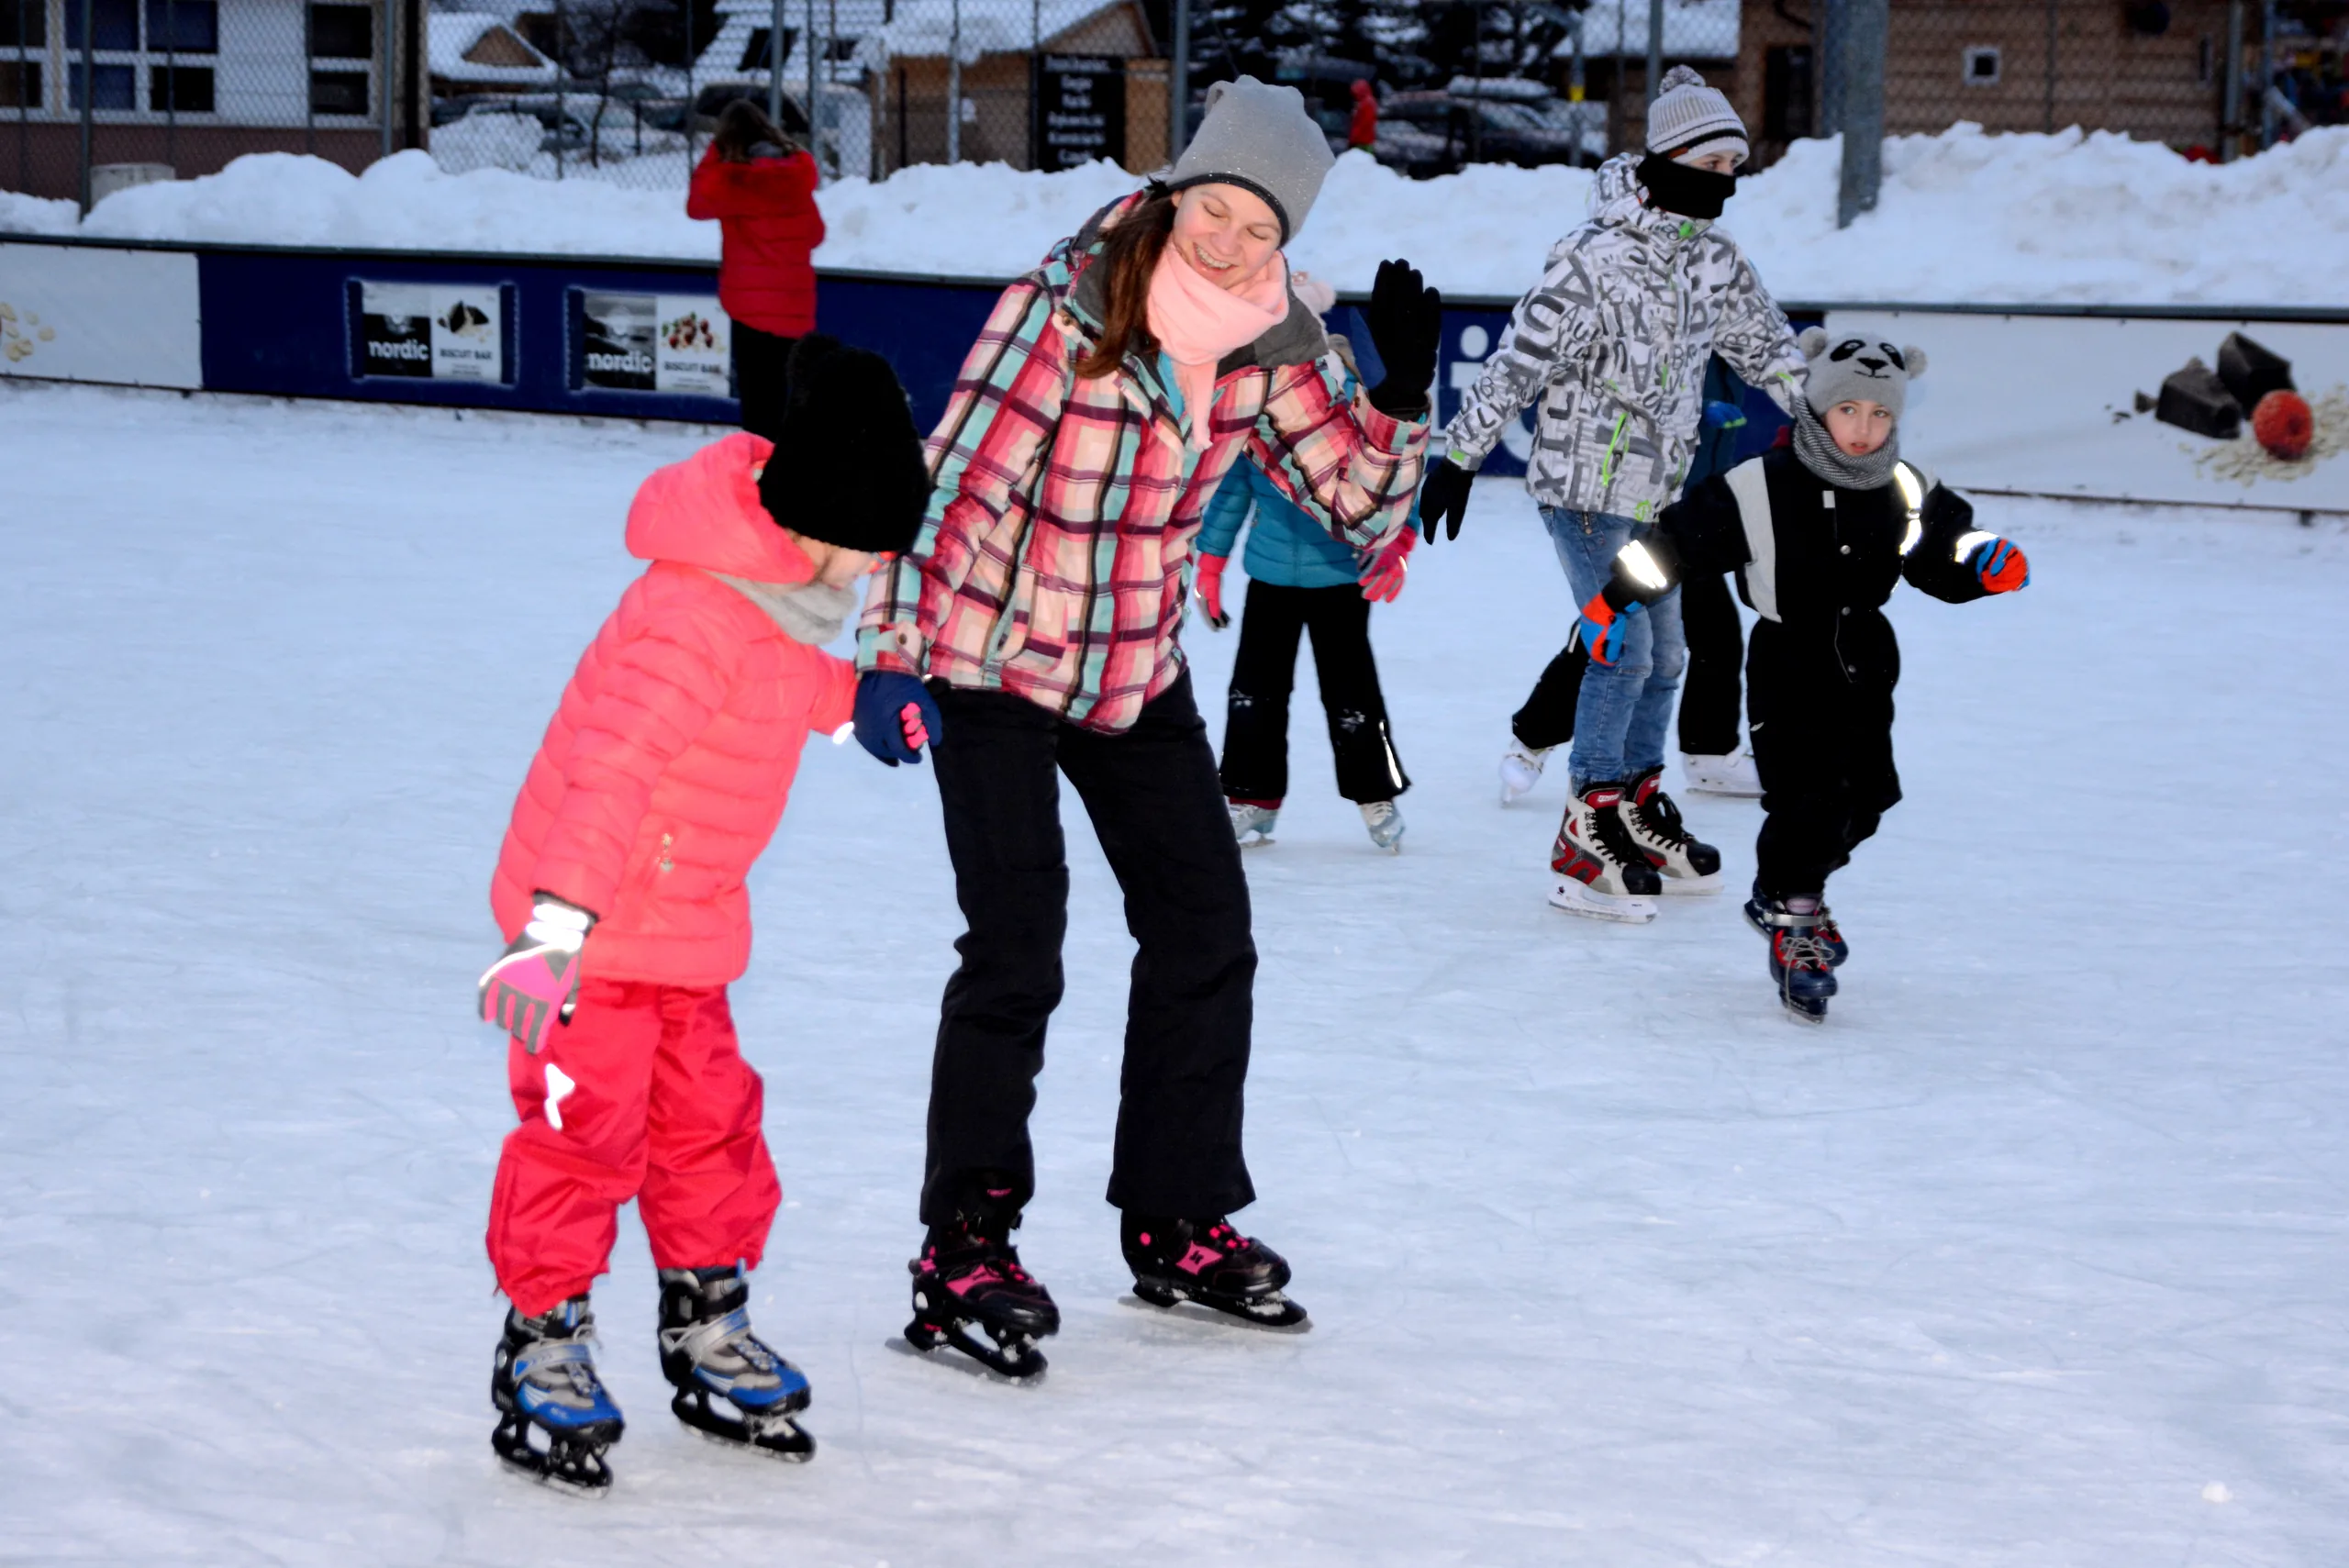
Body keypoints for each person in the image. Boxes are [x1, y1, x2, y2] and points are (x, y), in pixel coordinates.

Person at [851, 77, 1441, 1379]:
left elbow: (1351, 507)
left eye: (1260, 228)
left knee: (1205, 933)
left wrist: (1401, 397)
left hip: (1130, 669)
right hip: (993, 658)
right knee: (1017, 947)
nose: (1229, 243)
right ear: (1179, 191)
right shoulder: (1068, 302)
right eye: (1215, 209)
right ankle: (965, 1245)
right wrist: (892, 651)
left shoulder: (1275, 338)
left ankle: (1176, 1216)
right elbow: (955, 486)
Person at [473, 337, 930, 1492]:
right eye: (869, 541)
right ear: (817, 516)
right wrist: (550, 937)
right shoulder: (691, 615)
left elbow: (779, 682)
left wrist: (857, 705)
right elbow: (607, 775)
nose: (874, 566)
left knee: (711, 1125)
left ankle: (705, 1317)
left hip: (684, 929)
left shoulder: (775, 598)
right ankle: (544, 1334)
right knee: (582, 1137)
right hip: (588, 934)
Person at [1417, 64, 1806, 924]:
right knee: (1621, 649)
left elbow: (1768, 347)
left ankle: (1632, 803)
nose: (1726, 183)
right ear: (1668, 159)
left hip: (1658, 496)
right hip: (1584, 490)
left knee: (1668, 657)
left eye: (1734, 168)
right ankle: (1583, 827)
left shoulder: (1715, 261)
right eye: (1712, 165)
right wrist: (1460, 454)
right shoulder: (1591, 258)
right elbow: (1518, 359)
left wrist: (1829, 423)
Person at [1573, 328, 2031, 1021]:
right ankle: (1796, 914)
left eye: (1879, 414)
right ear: (1817, 407)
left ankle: (1788, 889)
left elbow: (1946, 551)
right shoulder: (1759, 484)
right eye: (1849, 410)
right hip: (1788, 658)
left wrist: (1983, 565)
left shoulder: (1905, 486)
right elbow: (1674, 544)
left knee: (1869, 798)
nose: (1864, 428)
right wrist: (1613, 600)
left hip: (1867, 658)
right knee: (1807, 797)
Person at [1198, 279, 1419, 853]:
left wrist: (1398, 542)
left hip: (1340, 580)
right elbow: (1232, 489)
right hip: (1269, 578)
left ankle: (1376, 794)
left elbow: (1398, 476)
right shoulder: (1256, 408)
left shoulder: (1351, 406)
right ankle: (1251, 798)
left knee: (1352, 696)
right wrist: (1210, 563)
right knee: (1253, 692)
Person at [1500, 361, 1765, 803]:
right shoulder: (1678, 331)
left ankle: (1710, 754)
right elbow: (1629, 387)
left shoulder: (1740, 347)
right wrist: (1696, 408)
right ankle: (1532, 740)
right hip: (1644, 504)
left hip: (1703, 504)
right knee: (1613, 626)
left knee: (1712, 633)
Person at [687, 99, 825, 444]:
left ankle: (760, 466)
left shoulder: (733, 179)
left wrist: (714, 154)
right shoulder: (794, 178)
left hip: (750, 308)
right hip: (794, 304)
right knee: (785, 395)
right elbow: (815, 234)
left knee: (757, 399)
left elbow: (696, 204)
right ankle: (787, 462)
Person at [1347, 77, 1379, 151]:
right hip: (1366, 140)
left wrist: (1353, 137)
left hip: (1362, 141)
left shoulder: (1365, 104)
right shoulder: (1367, 102)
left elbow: (1362, 123)